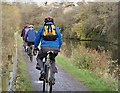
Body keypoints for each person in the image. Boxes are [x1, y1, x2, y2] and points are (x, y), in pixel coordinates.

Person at [33, 16, 62, 84]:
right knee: (52, 59)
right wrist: (58, 47)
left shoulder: (42, 28)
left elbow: (37, 38)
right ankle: (52, 77)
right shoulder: (56, 29)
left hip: (44, 48)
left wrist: (35, 46)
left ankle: (42, 71)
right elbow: (60, 40)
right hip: (55, 48)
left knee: (39, 58)